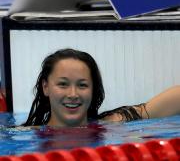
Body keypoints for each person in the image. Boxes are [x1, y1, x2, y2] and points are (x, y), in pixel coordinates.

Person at [23, 48, 180, 127]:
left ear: (93, 89)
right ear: (46, 87)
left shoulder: (111, 124)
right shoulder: (26, 137)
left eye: (82, 85)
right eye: (63, 84)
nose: (73, 94)